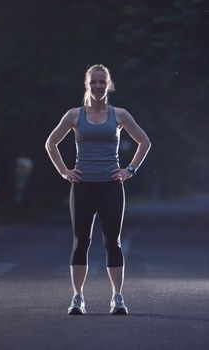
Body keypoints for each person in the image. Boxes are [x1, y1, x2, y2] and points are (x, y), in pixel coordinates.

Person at [45, 64, 151, 315]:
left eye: (102, 82)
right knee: (81, 242)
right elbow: (51, 143)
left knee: (112, 242)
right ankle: (77, 298)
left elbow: (144, 142)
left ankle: (117, 297)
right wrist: (64, 171)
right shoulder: (74, 115)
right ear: (87, 84)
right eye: (94, 82)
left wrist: (130, 170)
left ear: (109, 85)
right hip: (82, 186)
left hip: (111, 186)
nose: (98, 86)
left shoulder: (120, 115)